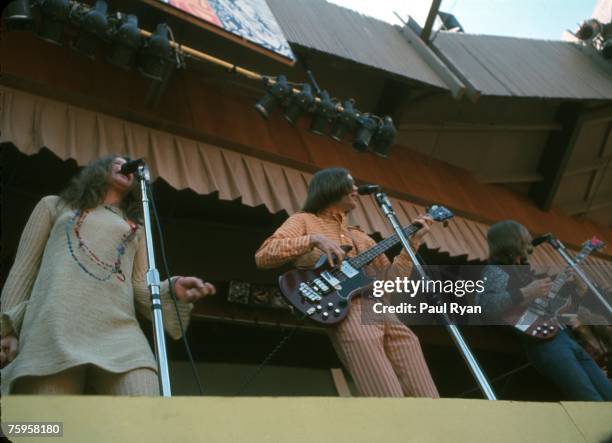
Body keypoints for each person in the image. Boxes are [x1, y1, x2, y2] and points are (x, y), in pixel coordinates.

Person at [0, 155, 216, 395]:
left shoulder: (137, 228)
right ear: (97, 170)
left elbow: (141, 287)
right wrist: (7, 329)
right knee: (49, 429)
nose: (124, 164)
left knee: (143, 413)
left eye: (128, 166)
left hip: (119, 333)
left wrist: (172, 289)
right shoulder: (53, 205)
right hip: (54, 324)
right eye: (115, 161)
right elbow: (23, 270)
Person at [255, 167, 439, 398]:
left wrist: (412, 243)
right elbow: (264, 255)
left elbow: (391, 284)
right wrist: (314, 239)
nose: (355, 189)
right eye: (349, 184)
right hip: (346, 309)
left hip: (379, 307)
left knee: (413, 355)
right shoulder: (303, 220)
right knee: (383, 389)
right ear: (331, 186)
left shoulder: (361, 237)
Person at [478, 220, 612, 401]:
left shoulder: (523, 271)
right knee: (591, 399)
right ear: (512, 240)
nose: (529, 240)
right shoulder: (494, 270)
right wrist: (525, 292)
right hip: (543, 344)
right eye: (524, 237)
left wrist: (577, 291)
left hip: (564, 336)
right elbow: (485, 306)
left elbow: (561, 312)